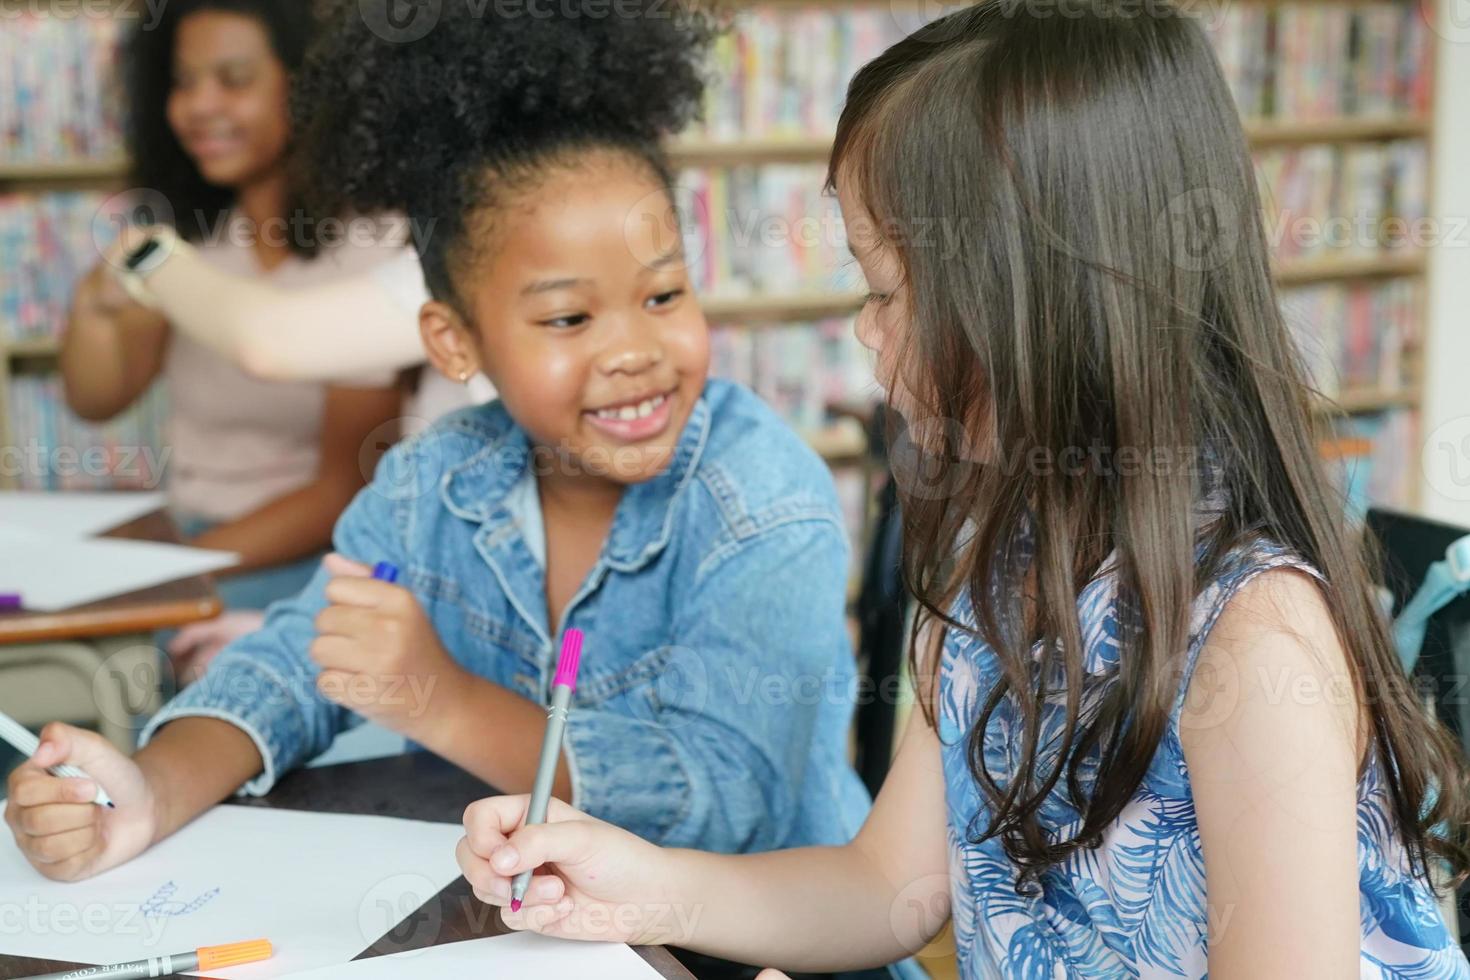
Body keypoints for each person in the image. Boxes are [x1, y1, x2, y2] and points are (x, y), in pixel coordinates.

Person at [454, 5, 1470, 977]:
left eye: (886, 289)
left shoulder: (1255, 640)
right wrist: (639, 885)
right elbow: (888, 885)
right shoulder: (1000, 553)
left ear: (1042, 298)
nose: (865, 327)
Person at [6, 16, 876, 980]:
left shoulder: (758, 492)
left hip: (753, 956)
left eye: (664, 296)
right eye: (568, 317)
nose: (632, 347)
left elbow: (731, 796)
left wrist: (440, 700)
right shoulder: (434, 480)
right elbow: (299, 661)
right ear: (455, 343)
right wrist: (149, 793)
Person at [62, 0, 402, 638]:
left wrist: (170, 572)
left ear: (306, 91)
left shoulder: (373, 246)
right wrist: (96, 305)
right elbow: (96, 397)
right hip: (192, 539)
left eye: (234, 79)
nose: (199, 106)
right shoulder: (192, 239)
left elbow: (345, 488)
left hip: (309, 559)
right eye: (184, 83)